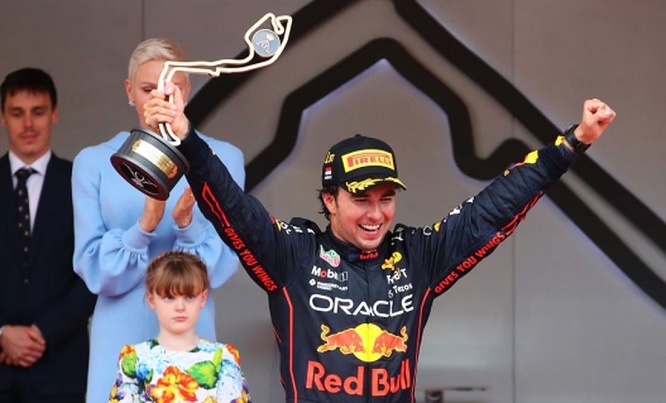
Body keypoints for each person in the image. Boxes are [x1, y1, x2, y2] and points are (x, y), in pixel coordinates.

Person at [144, 80, 615, 401]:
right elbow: (233, 208)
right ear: (329, 200)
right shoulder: (293, 254)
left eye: (386, 199)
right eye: (360, 199)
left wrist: (572, 144)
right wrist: (189, 141)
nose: (376, 214)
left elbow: (492, 210)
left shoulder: (417, 256)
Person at [72, 38, 246, 403]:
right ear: (129, 91)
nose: (160, 99)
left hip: (192, 338)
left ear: (187, 91)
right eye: (148, 89)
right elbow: (93, 269)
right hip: (117, 332)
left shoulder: (223, 159)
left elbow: (222, 264)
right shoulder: (93, 162)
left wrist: (186, 225)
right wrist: (144, 227)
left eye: (171, 88)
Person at [0, 67, 96, 402]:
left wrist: (43, 333)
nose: (28, 124)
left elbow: (94, 270)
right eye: (17, 113)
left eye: (38, 112)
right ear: (3, 117)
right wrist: (2, 332)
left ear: (54, 114)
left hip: (62, 366)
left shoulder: (81, 183)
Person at [108, 251, 251, 402]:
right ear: (151, 299)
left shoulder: (224, 358)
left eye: (189, 296)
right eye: (169, 297)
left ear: (203, 298)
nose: (180, 307)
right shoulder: (134, 358)